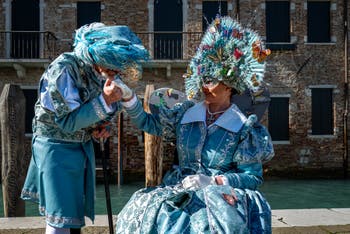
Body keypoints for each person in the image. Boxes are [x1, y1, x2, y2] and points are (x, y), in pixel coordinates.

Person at [114, 16, 274, 233]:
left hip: (221, 193)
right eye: (204, 79)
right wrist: (128, 98)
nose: (205, 87)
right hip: (179, 187)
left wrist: (213, 181)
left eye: (212, 81)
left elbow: (252, 178)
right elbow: (148, 124)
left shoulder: (244, 128)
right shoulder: (185, 114)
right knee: (144, 208)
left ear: (230, 87)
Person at [20, 23, 148, 234]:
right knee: (59, 217)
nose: (115, 73)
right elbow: (67, 120)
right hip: (55, 150)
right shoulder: (63, 69)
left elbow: (96, 112)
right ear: (98, 55)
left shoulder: (104, 72)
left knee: (73, 216)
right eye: (112, 66)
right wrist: (105, 100)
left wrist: (100, 127)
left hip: (81, 148)